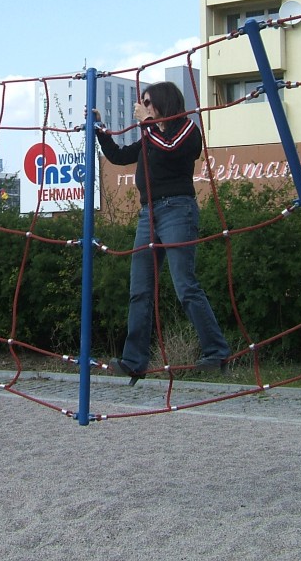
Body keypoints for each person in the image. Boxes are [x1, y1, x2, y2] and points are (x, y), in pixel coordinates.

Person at [94, 81, 230, 385]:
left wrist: (146, 121)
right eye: (142, 102)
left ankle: (217, 351)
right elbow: (118, 156)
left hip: (177, 210)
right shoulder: (150, 135)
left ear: (163, 103)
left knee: (185, 285)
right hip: (148, 214)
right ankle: (134, 361)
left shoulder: (186, 129)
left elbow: (169, 148)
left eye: (147, 101)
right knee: (139, 289)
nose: (142, 106)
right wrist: (100, 128)